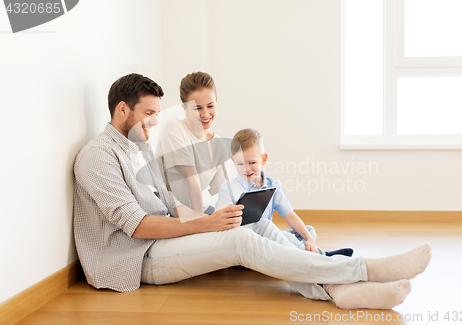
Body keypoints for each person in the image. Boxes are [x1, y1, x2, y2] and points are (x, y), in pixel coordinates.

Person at [73, 73, 432, 310]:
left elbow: (168, 204)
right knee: (240, 242)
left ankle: (337, 289)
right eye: (148, 114)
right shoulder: (97, 157)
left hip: (164, 240)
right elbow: (136, 226)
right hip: (137, 259)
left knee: (253, 224)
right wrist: (205, 226)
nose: (154, 121)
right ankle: (364, 270)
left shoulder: (138, 148)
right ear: (123, 110)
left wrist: (209, 219)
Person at [216, 128, 353, 257]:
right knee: (267, 225)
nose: (246, 169)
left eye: (252, 162)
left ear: (263, 159)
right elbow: (219, 223)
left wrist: (309, 239)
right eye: (240, 164)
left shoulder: (272, 185)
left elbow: (289, 215)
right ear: (233, 161)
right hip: (248, 241)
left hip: (269, 237)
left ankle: (308, 251)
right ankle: (323, 256)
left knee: (308, 230)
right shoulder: (228, 189)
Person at [157, 72, 229, 214]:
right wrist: (200, 223)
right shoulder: (174, 127)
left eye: (210, 106)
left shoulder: (218, 144)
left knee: (256, 226)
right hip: (171, 211)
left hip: (199, 209)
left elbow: (222, 191)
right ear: (184, 108)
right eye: (197, 108)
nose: (205, 114)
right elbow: (192, 178)